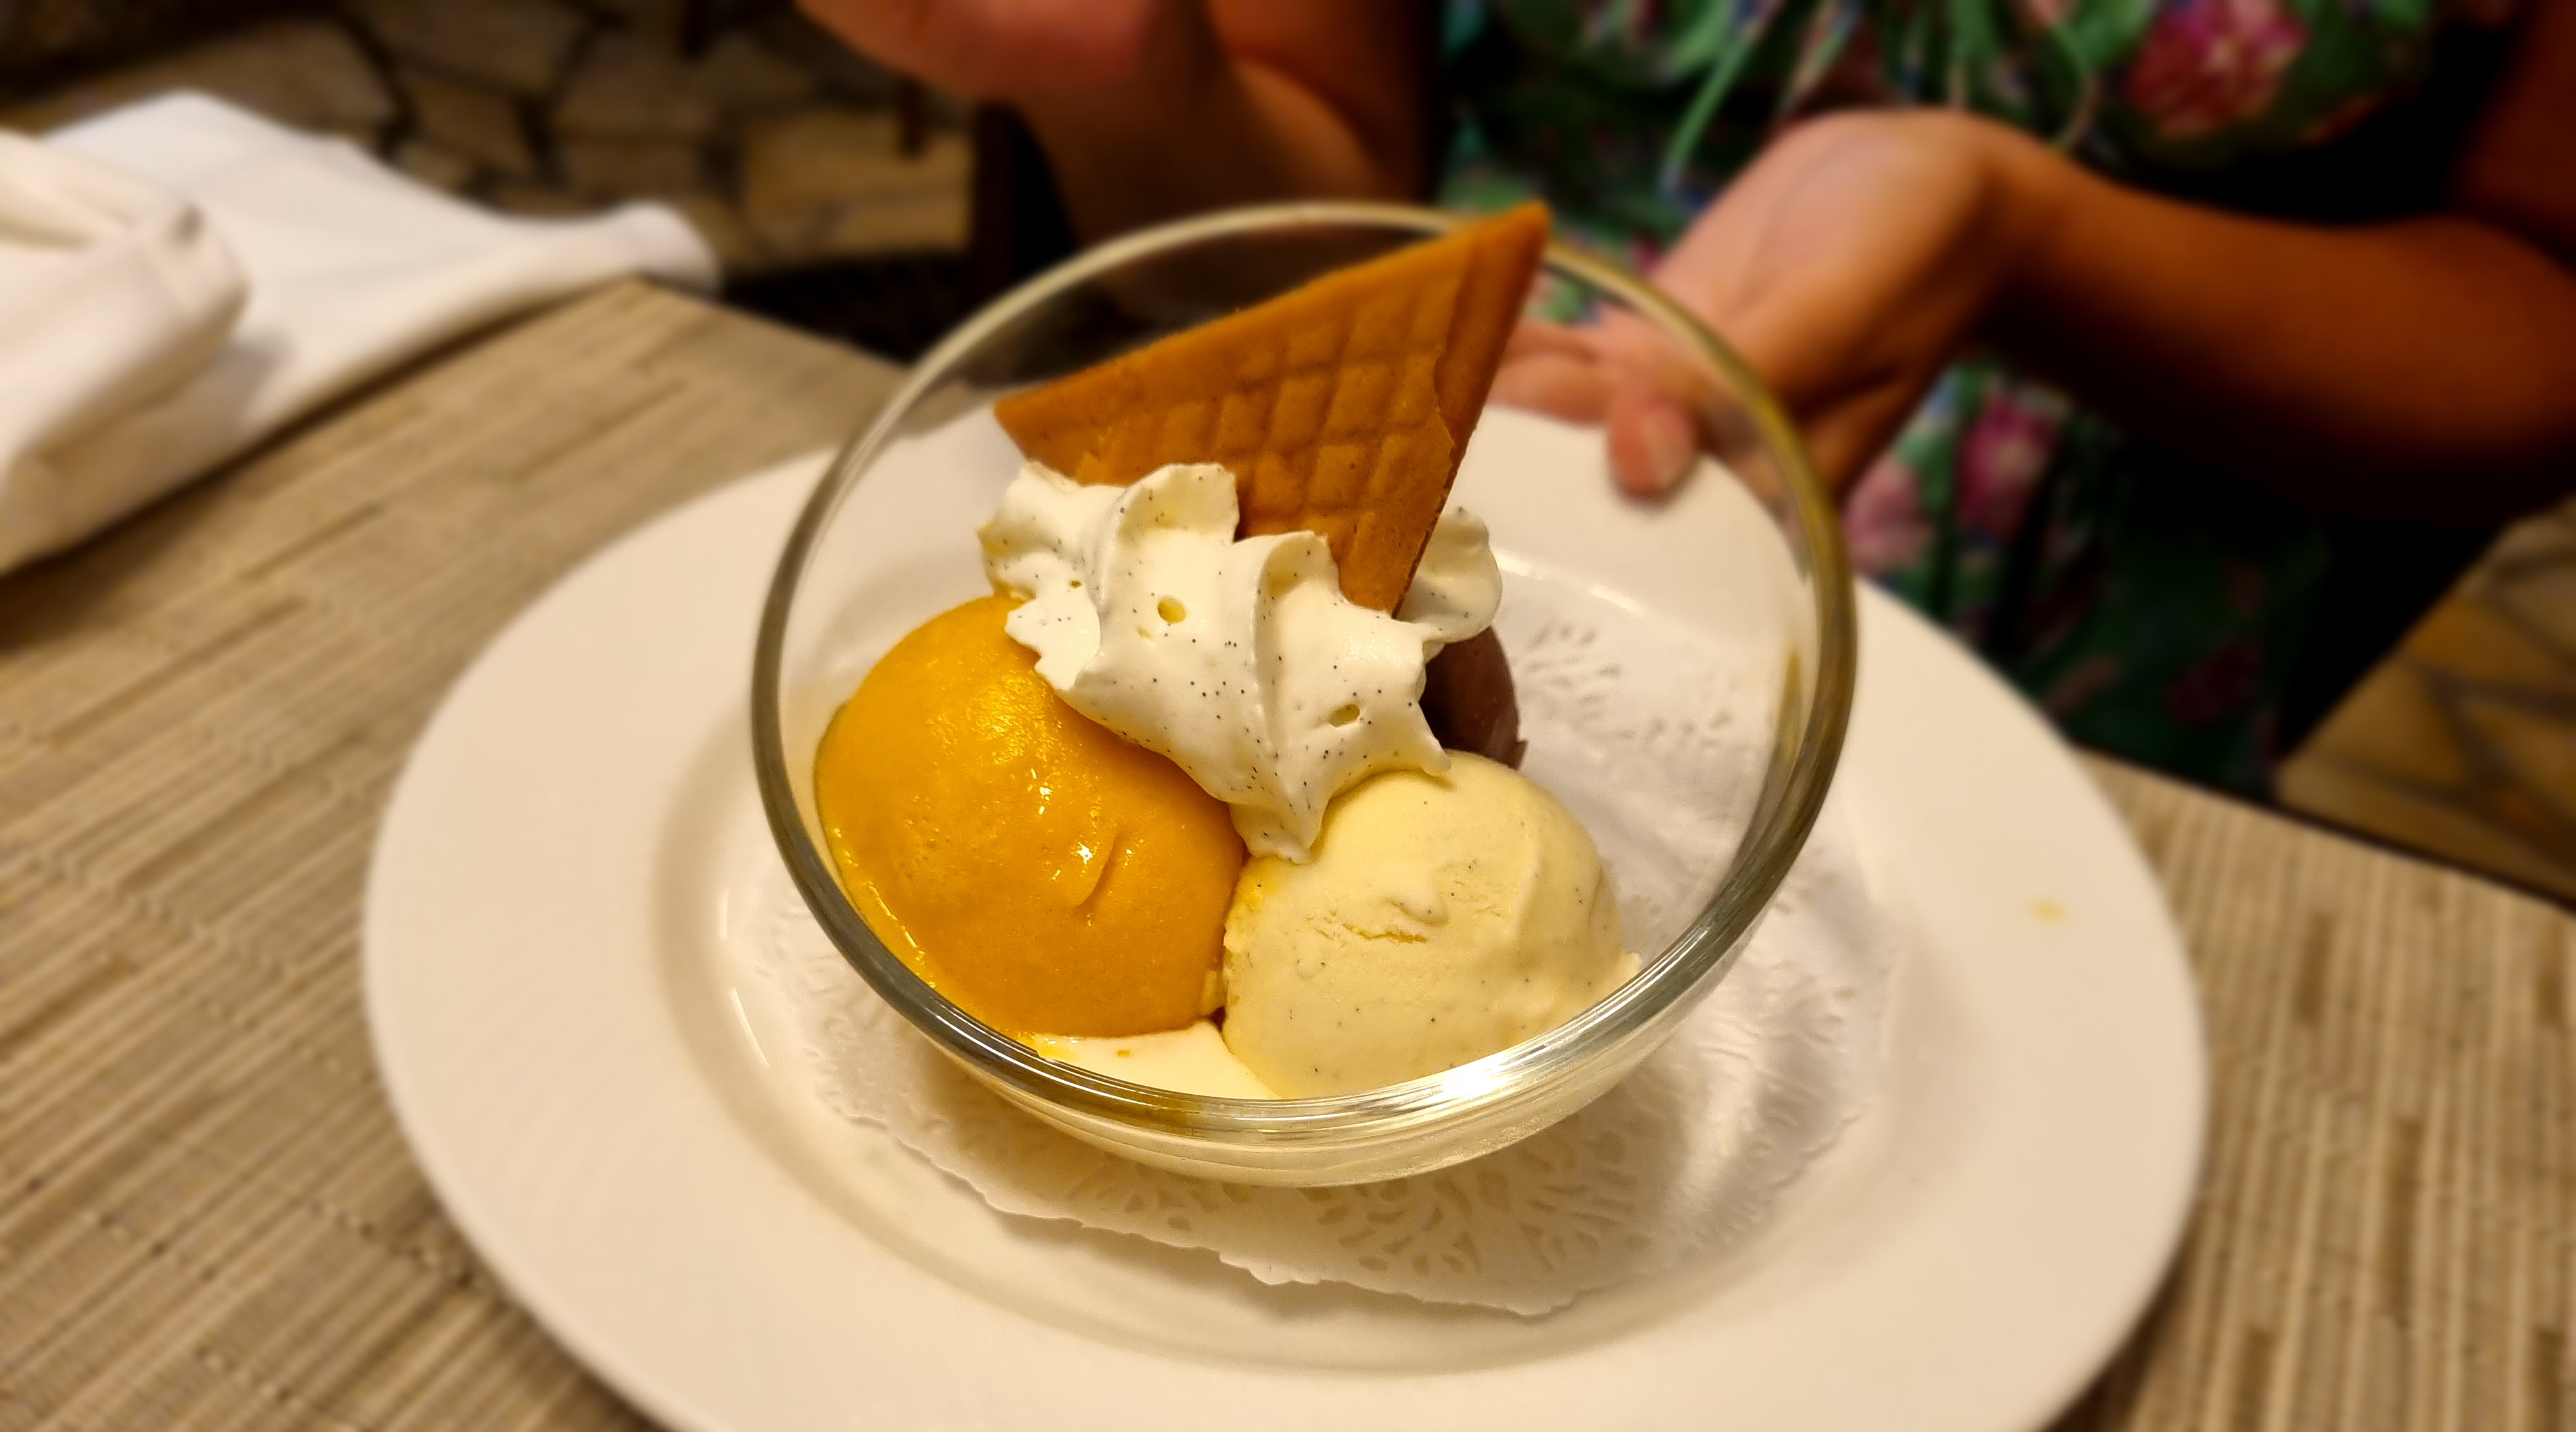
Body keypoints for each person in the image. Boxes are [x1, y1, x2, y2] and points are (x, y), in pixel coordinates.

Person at [796, 0, 2576, 794]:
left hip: (2108, 647)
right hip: (1485, 464)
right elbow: (1317, 199)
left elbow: (2540, 310)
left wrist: (2022, 245)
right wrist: (1124, 71)